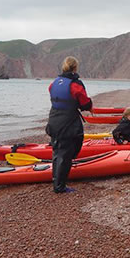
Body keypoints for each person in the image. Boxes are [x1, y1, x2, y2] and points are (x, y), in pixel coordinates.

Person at [45, 56, 92, 193]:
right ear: (75, 68)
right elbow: (84, 103)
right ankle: (59, 186)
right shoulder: (75, 84)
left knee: (58, 151)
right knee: (66, 153)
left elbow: (56, 97)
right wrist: (90, 106)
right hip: (68, 122)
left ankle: (57, 181)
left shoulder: (54, 83)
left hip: (54, 120)